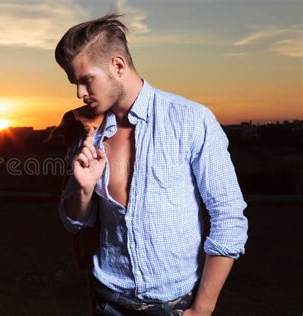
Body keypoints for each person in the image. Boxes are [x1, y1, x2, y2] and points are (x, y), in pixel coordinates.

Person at [54, 12, 249, 316]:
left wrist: (203, 308)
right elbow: (74, 221)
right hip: (107, 300)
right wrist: (83, 189)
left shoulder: (191, 120)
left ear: (117, 65)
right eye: (74, 83)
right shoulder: (87, 134)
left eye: (85, 80)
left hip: (176, 304)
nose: (79, 93)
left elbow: (229, 216)